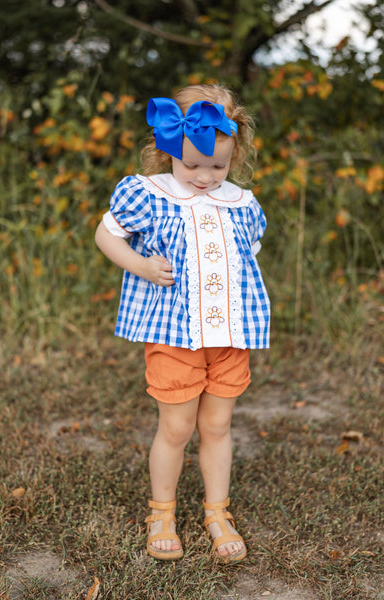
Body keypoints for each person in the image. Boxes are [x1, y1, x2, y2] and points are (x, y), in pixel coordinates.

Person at [95, 83, 270, 563]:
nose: (203, 176)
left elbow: (244, 259)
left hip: (229, 336)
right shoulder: (149, 194)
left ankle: (217, 512)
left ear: (233, 156)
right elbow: (106, 234)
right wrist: (142, 266)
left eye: (217, 166)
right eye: (191, 164)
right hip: (175, 335)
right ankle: (162, 512)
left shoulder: (242, 203)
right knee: (176, 427)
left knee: (218, 425)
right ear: (168, 149)